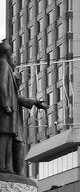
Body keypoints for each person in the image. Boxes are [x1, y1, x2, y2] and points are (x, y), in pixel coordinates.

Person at [0, 40, 48, 175]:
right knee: (6, 139)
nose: (15, 61)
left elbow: (16, 96)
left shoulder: (9, 69)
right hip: (7, 113)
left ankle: (9, 168)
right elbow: (2, 86)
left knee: (11, 141)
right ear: (7, 53)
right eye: (13, 58)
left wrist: (33, 102)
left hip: (13, 116)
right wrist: (5, 105)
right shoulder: (3, 65)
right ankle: (5, 166)